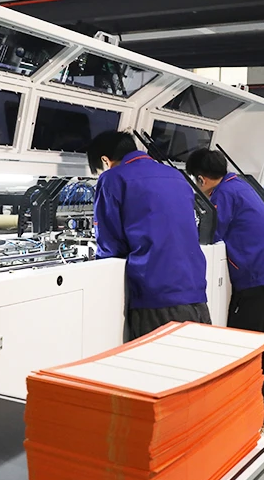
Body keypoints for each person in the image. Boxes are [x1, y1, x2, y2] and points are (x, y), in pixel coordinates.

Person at [186, 149, 264, 434]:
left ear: (201, 179)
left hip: (253, 291)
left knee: (245, 359)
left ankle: (262, 423)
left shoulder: (223, 195)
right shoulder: (240, 185)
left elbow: (211, 236)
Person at [86, 130, 211, 340]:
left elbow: (110, 244)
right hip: (194, 290)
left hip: (155, 296)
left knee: (156, 359)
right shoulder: (176, 175)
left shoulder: (113, 178)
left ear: (105, 160)